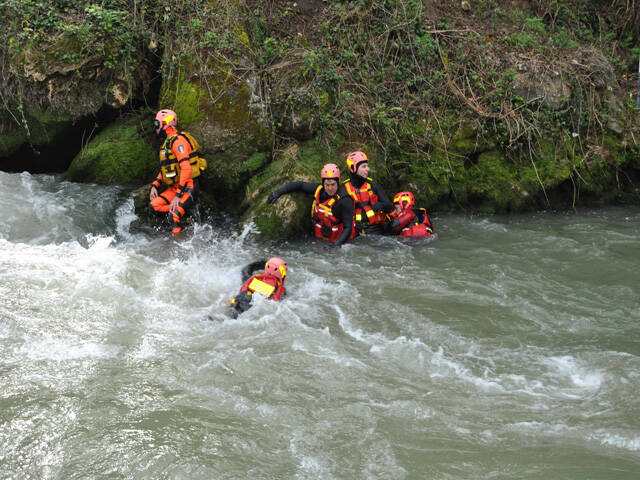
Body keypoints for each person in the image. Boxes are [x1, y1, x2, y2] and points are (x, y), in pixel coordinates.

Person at [267, 163, 355, 247]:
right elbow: (300, 185)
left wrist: (336, 245)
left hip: (341, 243)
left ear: (338, 182)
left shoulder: (345, 200)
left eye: (333, 184)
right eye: (327, 185)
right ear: (322, 183)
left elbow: (348, 228)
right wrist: (278, 192)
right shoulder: (319, 189)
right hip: (320, 239)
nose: (330, 188)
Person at [149, 109, 207, 235]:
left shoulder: (178, 142)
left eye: (157, 123)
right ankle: (185, 210)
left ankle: (177, 240)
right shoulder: (167, 142)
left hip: (188, 186)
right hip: (174, 187)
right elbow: (166, 168)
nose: (155, 127)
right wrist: (155, 185)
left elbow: (186, 168)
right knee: (153, 207)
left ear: (165, 123)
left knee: (173, 215)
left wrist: (178, 195)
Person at [342, 151, 393, 235]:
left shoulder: (374, 186)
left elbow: (389, 206)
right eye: (364, 166)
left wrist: (380, 205)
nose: (368, 169)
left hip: (376, 230)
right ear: (353, 168)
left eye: (367, 166)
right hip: (355, 231)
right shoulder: (344, 189)